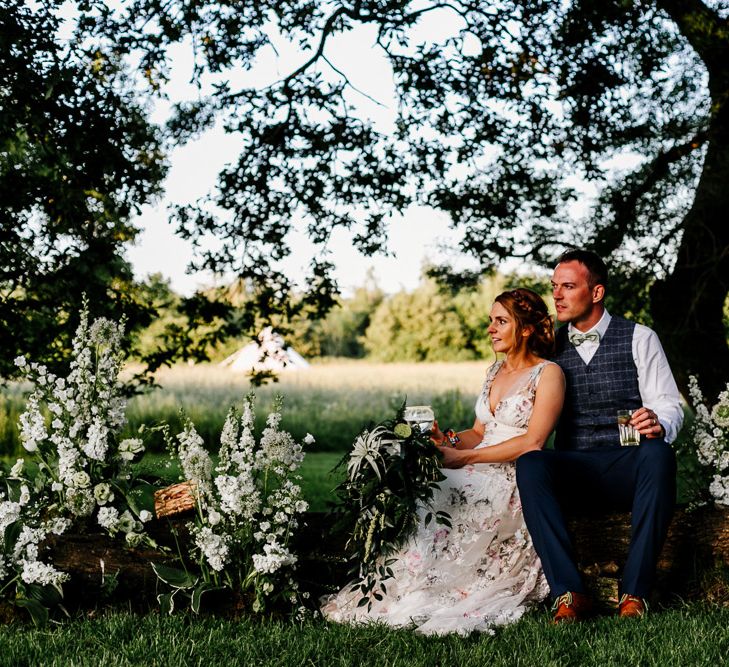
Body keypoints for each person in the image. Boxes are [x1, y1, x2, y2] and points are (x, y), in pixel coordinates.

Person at [321, 288, 565, 635]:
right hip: (478, 458)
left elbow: (533, 441)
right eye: (490, 321)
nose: (490, 329)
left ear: (525, 329)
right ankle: (404, 584)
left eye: (501, 321)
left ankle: (446, 585)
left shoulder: (548, 373)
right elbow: (480, 432)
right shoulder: (494, 372)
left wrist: (464, 457)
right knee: (423, 487)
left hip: (515, 474)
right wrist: (444, 440)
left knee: (450, 490)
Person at [515, 249, 683, 623]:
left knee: (659, 453)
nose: (556, 295)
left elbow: (670, 404)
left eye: (568, 286)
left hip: (627, 464)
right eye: (554, 286)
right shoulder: (548, 349)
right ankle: (569, 593)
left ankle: (635, 593)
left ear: (596, 292)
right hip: (574, 467)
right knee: (530, 464)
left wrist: (658, 421)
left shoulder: (640, 337)